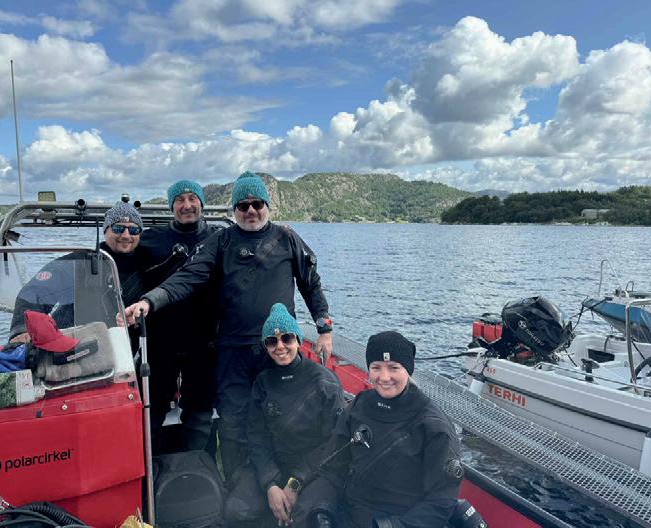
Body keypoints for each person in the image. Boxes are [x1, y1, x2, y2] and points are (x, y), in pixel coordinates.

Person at [125, 171, 333, 481]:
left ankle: (283, 482)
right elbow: (188, 277)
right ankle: (238, 483)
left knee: (281, 415)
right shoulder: (220, 241)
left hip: (277, 347)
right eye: (243, 205)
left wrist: (324, 329)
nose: (251, 211)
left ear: (267, 206)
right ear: (234, 210)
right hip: (232, 350)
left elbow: (310, 283)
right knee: (233, 422)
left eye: (257, 204)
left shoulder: (287, 238)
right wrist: (150, 301)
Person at [317, 331, 462, 528]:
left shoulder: (433, 426)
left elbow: (441, 501)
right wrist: (320, 509)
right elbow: (332, 467)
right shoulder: (359, 406)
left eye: (394, 368)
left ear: (408, 370)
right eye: (376, 368)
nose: (384, 377)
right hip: (351, 514)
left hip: (402, 521)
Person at [225, 303, 344, 528]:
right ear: (266, 347)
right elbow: (257, 437)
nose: (280, 347)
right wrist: (270, 484)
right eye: (272, 341)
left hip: (315, 470)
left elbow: (335, 442)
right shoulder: (262, 383)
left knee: (312, 519)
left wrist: (296, 482)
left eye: (287, 338)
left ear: (298, 340)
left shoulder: (324, 382)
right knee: (236, 511)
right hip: (276, 466)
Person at [135, 179, 221, 454]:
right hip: (161, 343)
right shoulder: (150, 239)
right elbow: (119, 253)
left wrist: (280, 232)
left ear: (201, 203)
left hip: (205, 342)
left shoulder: (221, 237)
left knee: (200, 411)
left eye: (192, 199)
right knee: (152, 410)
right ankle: (150, 466)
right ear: (171, 206)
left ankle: (196, 465)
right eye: (180, 200)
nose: (187, 205)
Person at [10, 201, 145, 343]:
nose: (126, 235)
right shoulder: (79, 262)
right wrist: (23, 329)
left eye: (133, 230)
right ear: (105, 230)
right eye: (118, 228)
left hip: (128, 345)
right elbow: (35, 292)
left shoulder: (148, 263)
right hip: (78, 344)